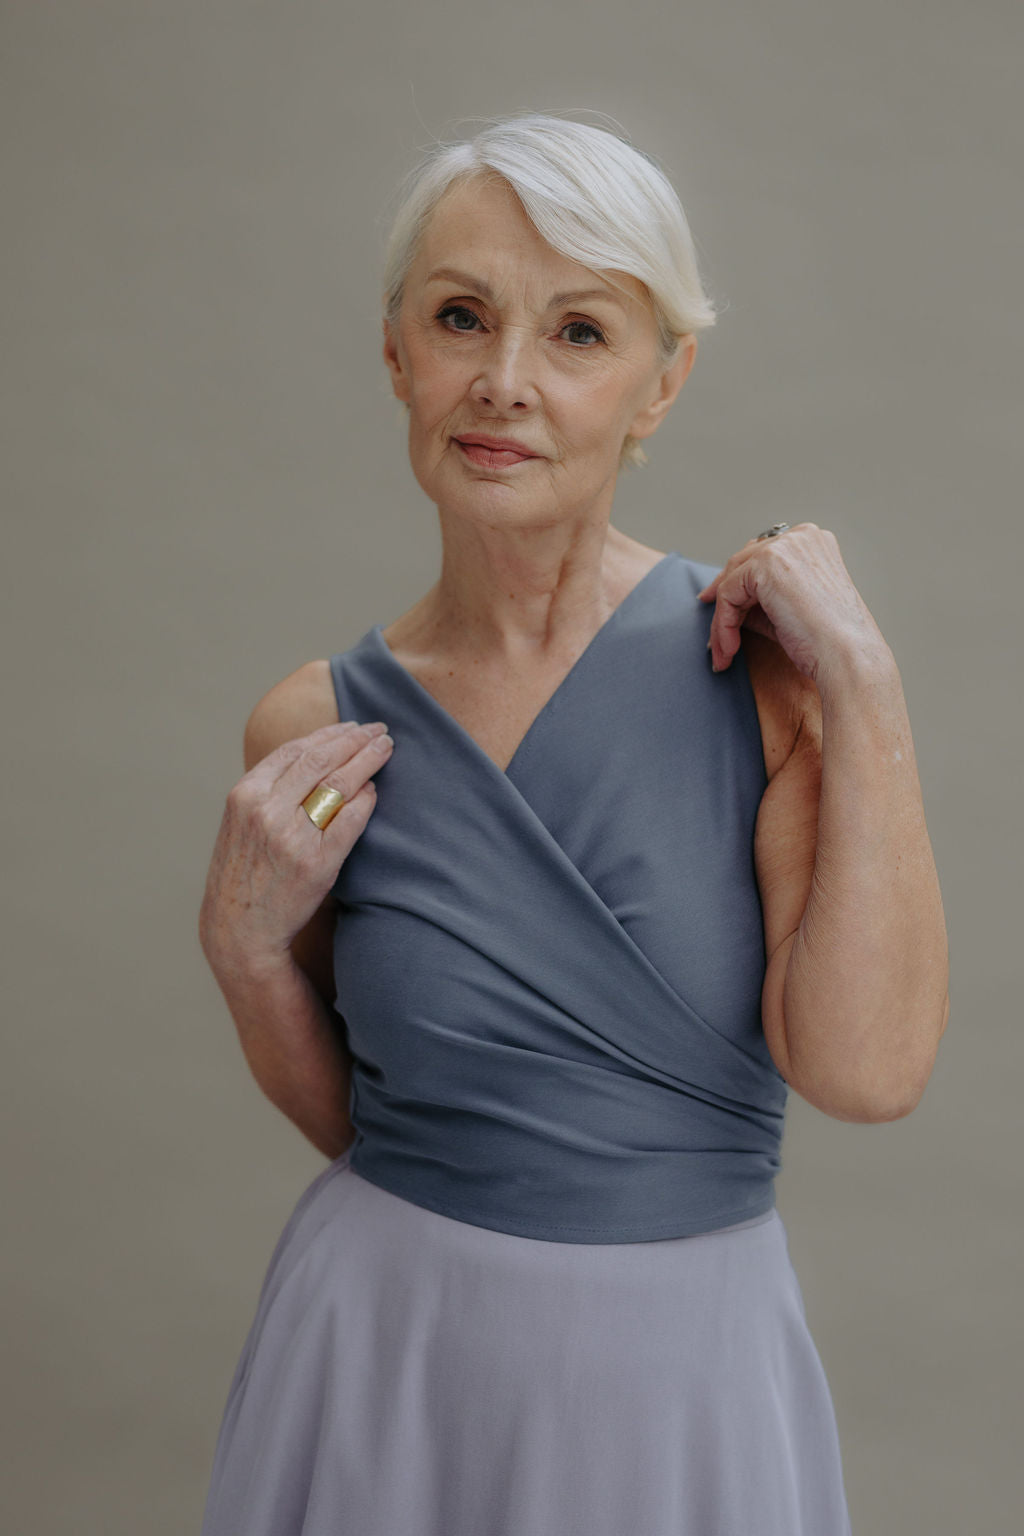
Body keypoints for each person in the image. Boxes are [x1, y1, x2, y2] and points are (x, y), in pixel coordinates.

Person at [196, 112, 949, 1536]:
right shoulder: (315, 730)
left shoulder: (767, 683)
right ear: (396, 354)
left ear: (662, 385)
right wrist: (243, 957)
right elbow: (383, 1128)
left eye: (580, 333)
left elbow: (869, 1073)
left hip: (680, 1384)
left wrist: (865, 679)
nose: (505, 381)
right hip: (384, 1358)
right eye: (461, 318)